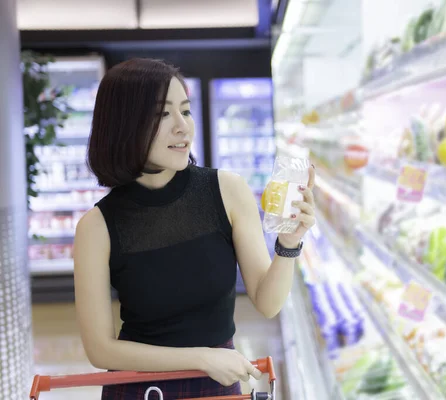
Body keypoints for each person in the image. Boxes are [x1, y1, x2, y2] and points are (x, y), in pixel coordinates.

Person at [74, 58, 316, 399]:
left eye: (185, 111)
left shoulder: (227, 190)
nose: (182, 127)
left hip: (216, 382)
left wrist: (288, 243)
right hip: (141, 387)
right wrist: (201, 358)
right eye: (162, 114)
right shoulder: (95, 227)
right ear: (123, 125)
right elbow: (100, 350)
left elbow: (268, 302)